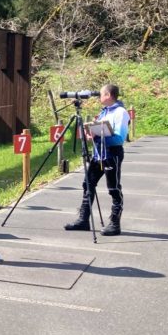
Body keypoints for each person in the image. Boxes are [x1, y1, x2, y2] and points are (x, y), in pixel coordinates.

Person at [65, 84, 130, 236]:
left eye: (101, 94)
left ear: (108, 95)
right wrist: (92, 134)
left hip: (111, 154)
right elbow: (100, 131)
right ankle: (83, 220)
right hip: (98, 153)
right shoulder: (104, 111)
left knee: (113, 188)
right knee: (88, 183)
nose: (98, 97)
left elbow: (119, 138)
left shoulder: (121, 112)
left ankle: (115, 223)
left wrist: (99, 133)